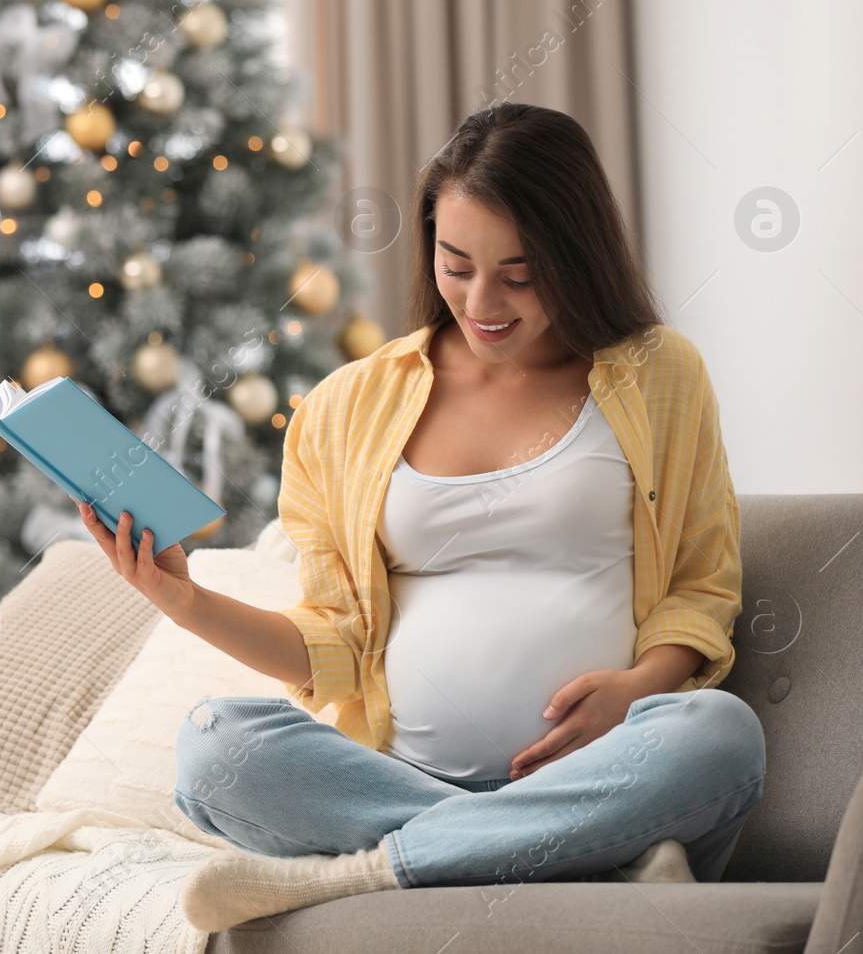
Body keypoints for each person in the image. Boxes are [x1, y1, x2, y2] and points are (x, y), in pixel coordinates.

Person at [72, 102, 765, 929]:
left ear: (577, 255)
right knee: (216, 746)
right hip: (398, 780)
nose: (483, 300)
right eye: (456, 262)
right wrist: (183, 601)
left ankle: (366, 872)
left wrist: (638, 689)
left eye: (520, 271)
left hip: (603, 766)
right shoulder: (346, 408)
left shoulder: (659, 375)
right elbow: (331, 641)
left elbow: (702, 582)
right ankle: (585, 859)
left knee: (720, 735)